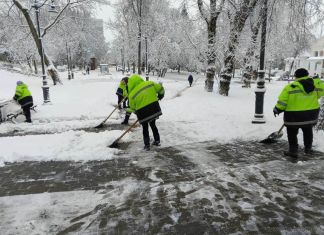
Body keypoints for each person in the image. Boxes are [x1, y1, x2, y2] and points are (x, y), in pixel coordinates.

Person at [273, 68, 324, 157]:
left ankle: (293, 151)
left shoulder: (290, 87)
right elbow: (321, 93)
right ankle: (308, 149)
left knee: (292, 132)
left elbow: (283, 101)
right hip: (310, 115)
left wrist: (277, 109)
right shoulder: (314, 85)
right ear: (307, 75)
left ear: (296, 76)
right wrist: (317, 80)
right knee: (308, 131)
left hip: (293, 116)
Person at [126, 74, 165, 150]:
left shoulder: (131, 94)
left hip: (142, 112)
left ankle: (147, 145)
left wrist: (137, 112)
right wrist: (160, 96)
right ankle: (157, 141)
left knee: (145, 128)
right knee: (153, 125)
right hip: (154, 108)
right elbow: (161, 89)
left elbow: (132, 107)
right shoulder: (149, 83)